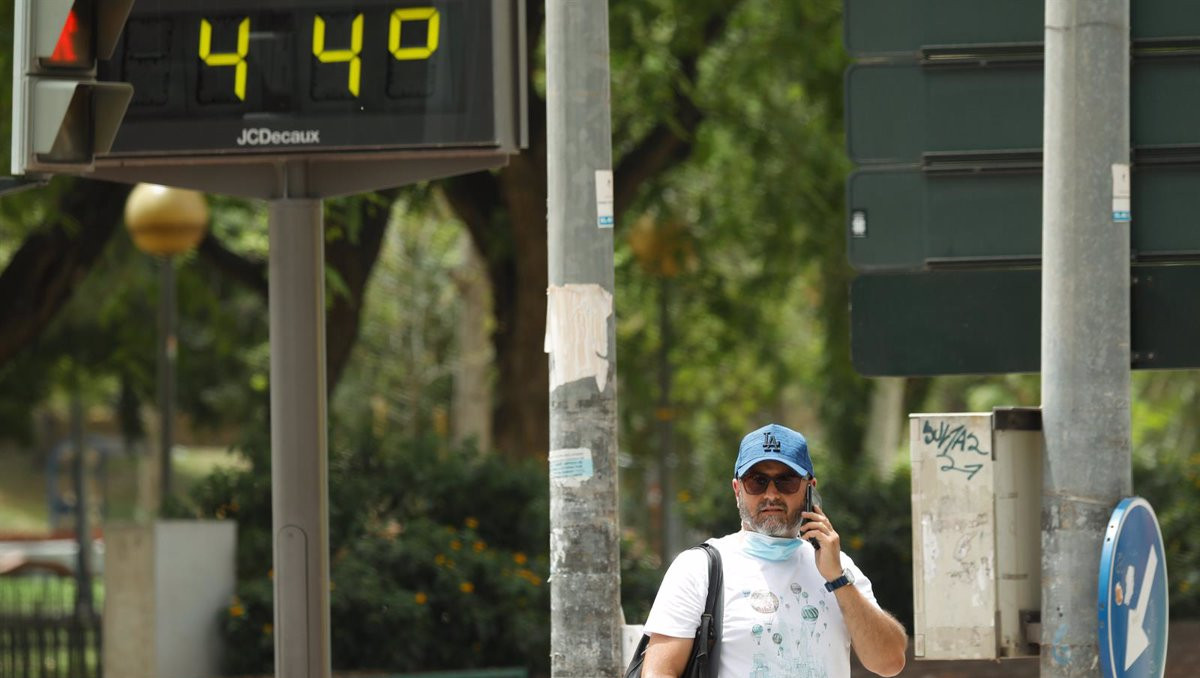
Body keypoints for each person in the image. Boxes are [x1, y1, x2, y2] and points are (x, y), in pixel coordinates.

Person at [641, 423, 908, 678]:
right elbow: (659, 671)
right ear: (737, 490)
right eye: (757, 481)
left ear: (809, 489)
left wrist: (838, 579)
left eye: (786, 480)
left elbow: (889, 663)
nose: (771, 494)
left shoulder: (838, 567)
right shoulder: (699, 567)